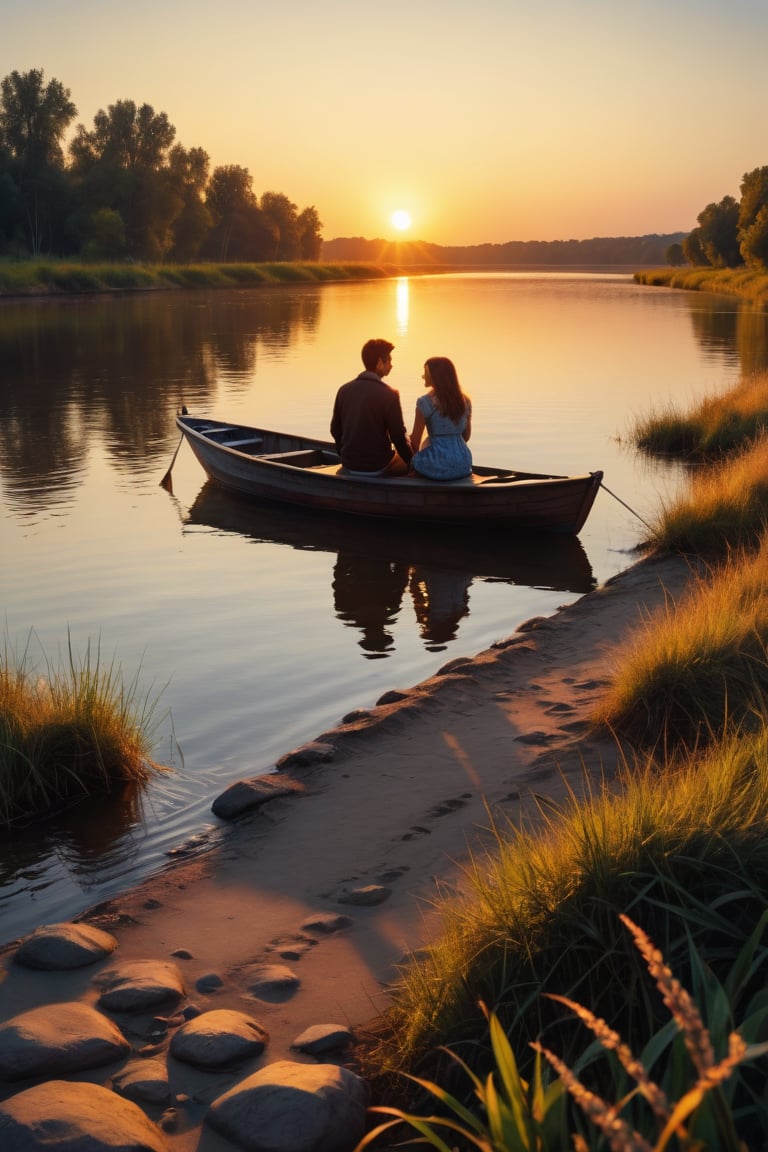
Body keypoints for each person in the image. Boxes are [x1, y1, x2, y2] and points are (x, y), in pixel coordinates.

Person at [331, 338, 413, 476]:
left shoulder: (344, 390)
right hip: (377, 466)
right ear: (380, 362)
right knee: (409, 446)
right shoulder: (390, 394)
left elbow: (335, 429)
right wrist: (412, 463)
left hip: (348, 463)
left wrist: (344, 454)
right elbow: (398, 436)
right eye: (389, 361)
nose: (391, 366)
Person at [410, 356, 472, 480]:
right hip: (464, 462)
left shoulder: (424, 402)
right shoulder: (465, 401)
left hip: (437, 462)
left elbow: (415, 442)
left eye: (426, 372)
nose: (423, 376)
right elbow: (466, 437)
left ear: (434, 376)